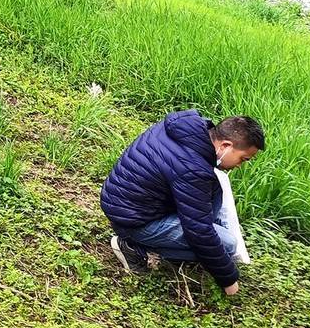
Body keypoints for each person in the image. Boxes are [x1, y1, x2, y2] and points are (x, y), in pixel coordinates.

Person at [100, 111, 264, 296]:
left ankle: (197, 245)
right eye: (243, 159)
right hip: (134, 221)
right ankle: (133, 248)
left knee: (215, 186)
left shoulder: (189, 128)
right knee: (227, 246)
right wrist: (228, 278)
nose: (240, 165)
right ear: (225, 145)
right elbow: (199, 232)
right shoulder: (193, 168)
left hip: (124, 200)